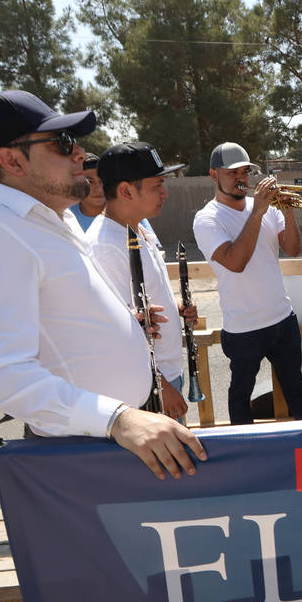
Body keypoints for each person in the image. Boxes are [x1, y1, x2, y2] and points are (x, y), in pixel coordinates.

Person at [0, 89, 205, 480]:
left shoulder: (46, 221)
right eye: (62, 144)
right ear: (11, 159)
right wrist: (118, 420)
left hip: (110, 439)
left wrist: (127, 324)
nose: (80, 153)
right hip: (84, 449)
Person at [192, 142, 302, 425]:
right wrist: (258, 212)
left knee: (296, 388)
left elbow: (293, 250)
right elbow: (236, 262)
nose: (241, 178)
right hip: (243, 327)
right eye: (232, 172)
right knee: (240, 395)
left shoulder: (266, 207)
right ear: (214, 175)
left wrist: (288, 213)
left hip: (283, 319)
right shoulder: (207, 219)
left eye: (245, 172)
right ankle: (243, 453)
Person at [87, 142, 192, 422]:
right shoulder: (106, 246)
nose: (165, 192)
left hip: (163, 377)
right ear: (126, 191)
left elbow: (140, 305)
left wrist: (173, 306)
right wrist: (161, 385)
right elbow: (118, 335)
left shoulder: (137, 229)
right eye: (157, 184)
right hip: (150, 389)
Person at [69, 153, 106, 232]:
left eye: (102, 180)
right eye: (89, 182)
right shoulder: (65, 216)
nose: (99, 188)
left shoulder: (124, 214)